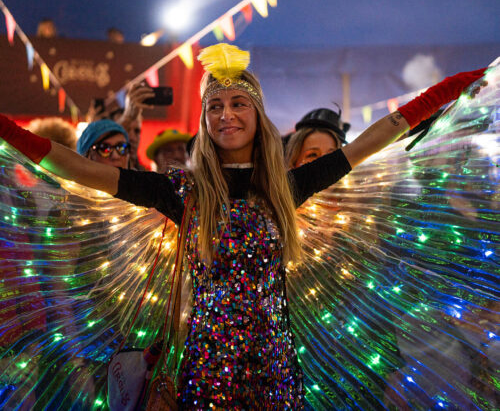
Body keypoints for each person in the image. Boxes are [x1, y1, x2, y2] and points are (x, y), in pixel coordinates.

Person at [0, 43, 487, 409]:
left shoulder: (286, 187)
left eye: (238, 103)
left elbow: (372, 140)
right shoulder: (181, 191)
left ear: (257, 114)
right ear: (205, 120)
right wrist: (9, 132)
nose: (226, 114)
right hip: (208, 368)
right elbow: (78, 168)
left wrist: (449, 90)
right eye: (215, 106)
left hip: (275, 366)